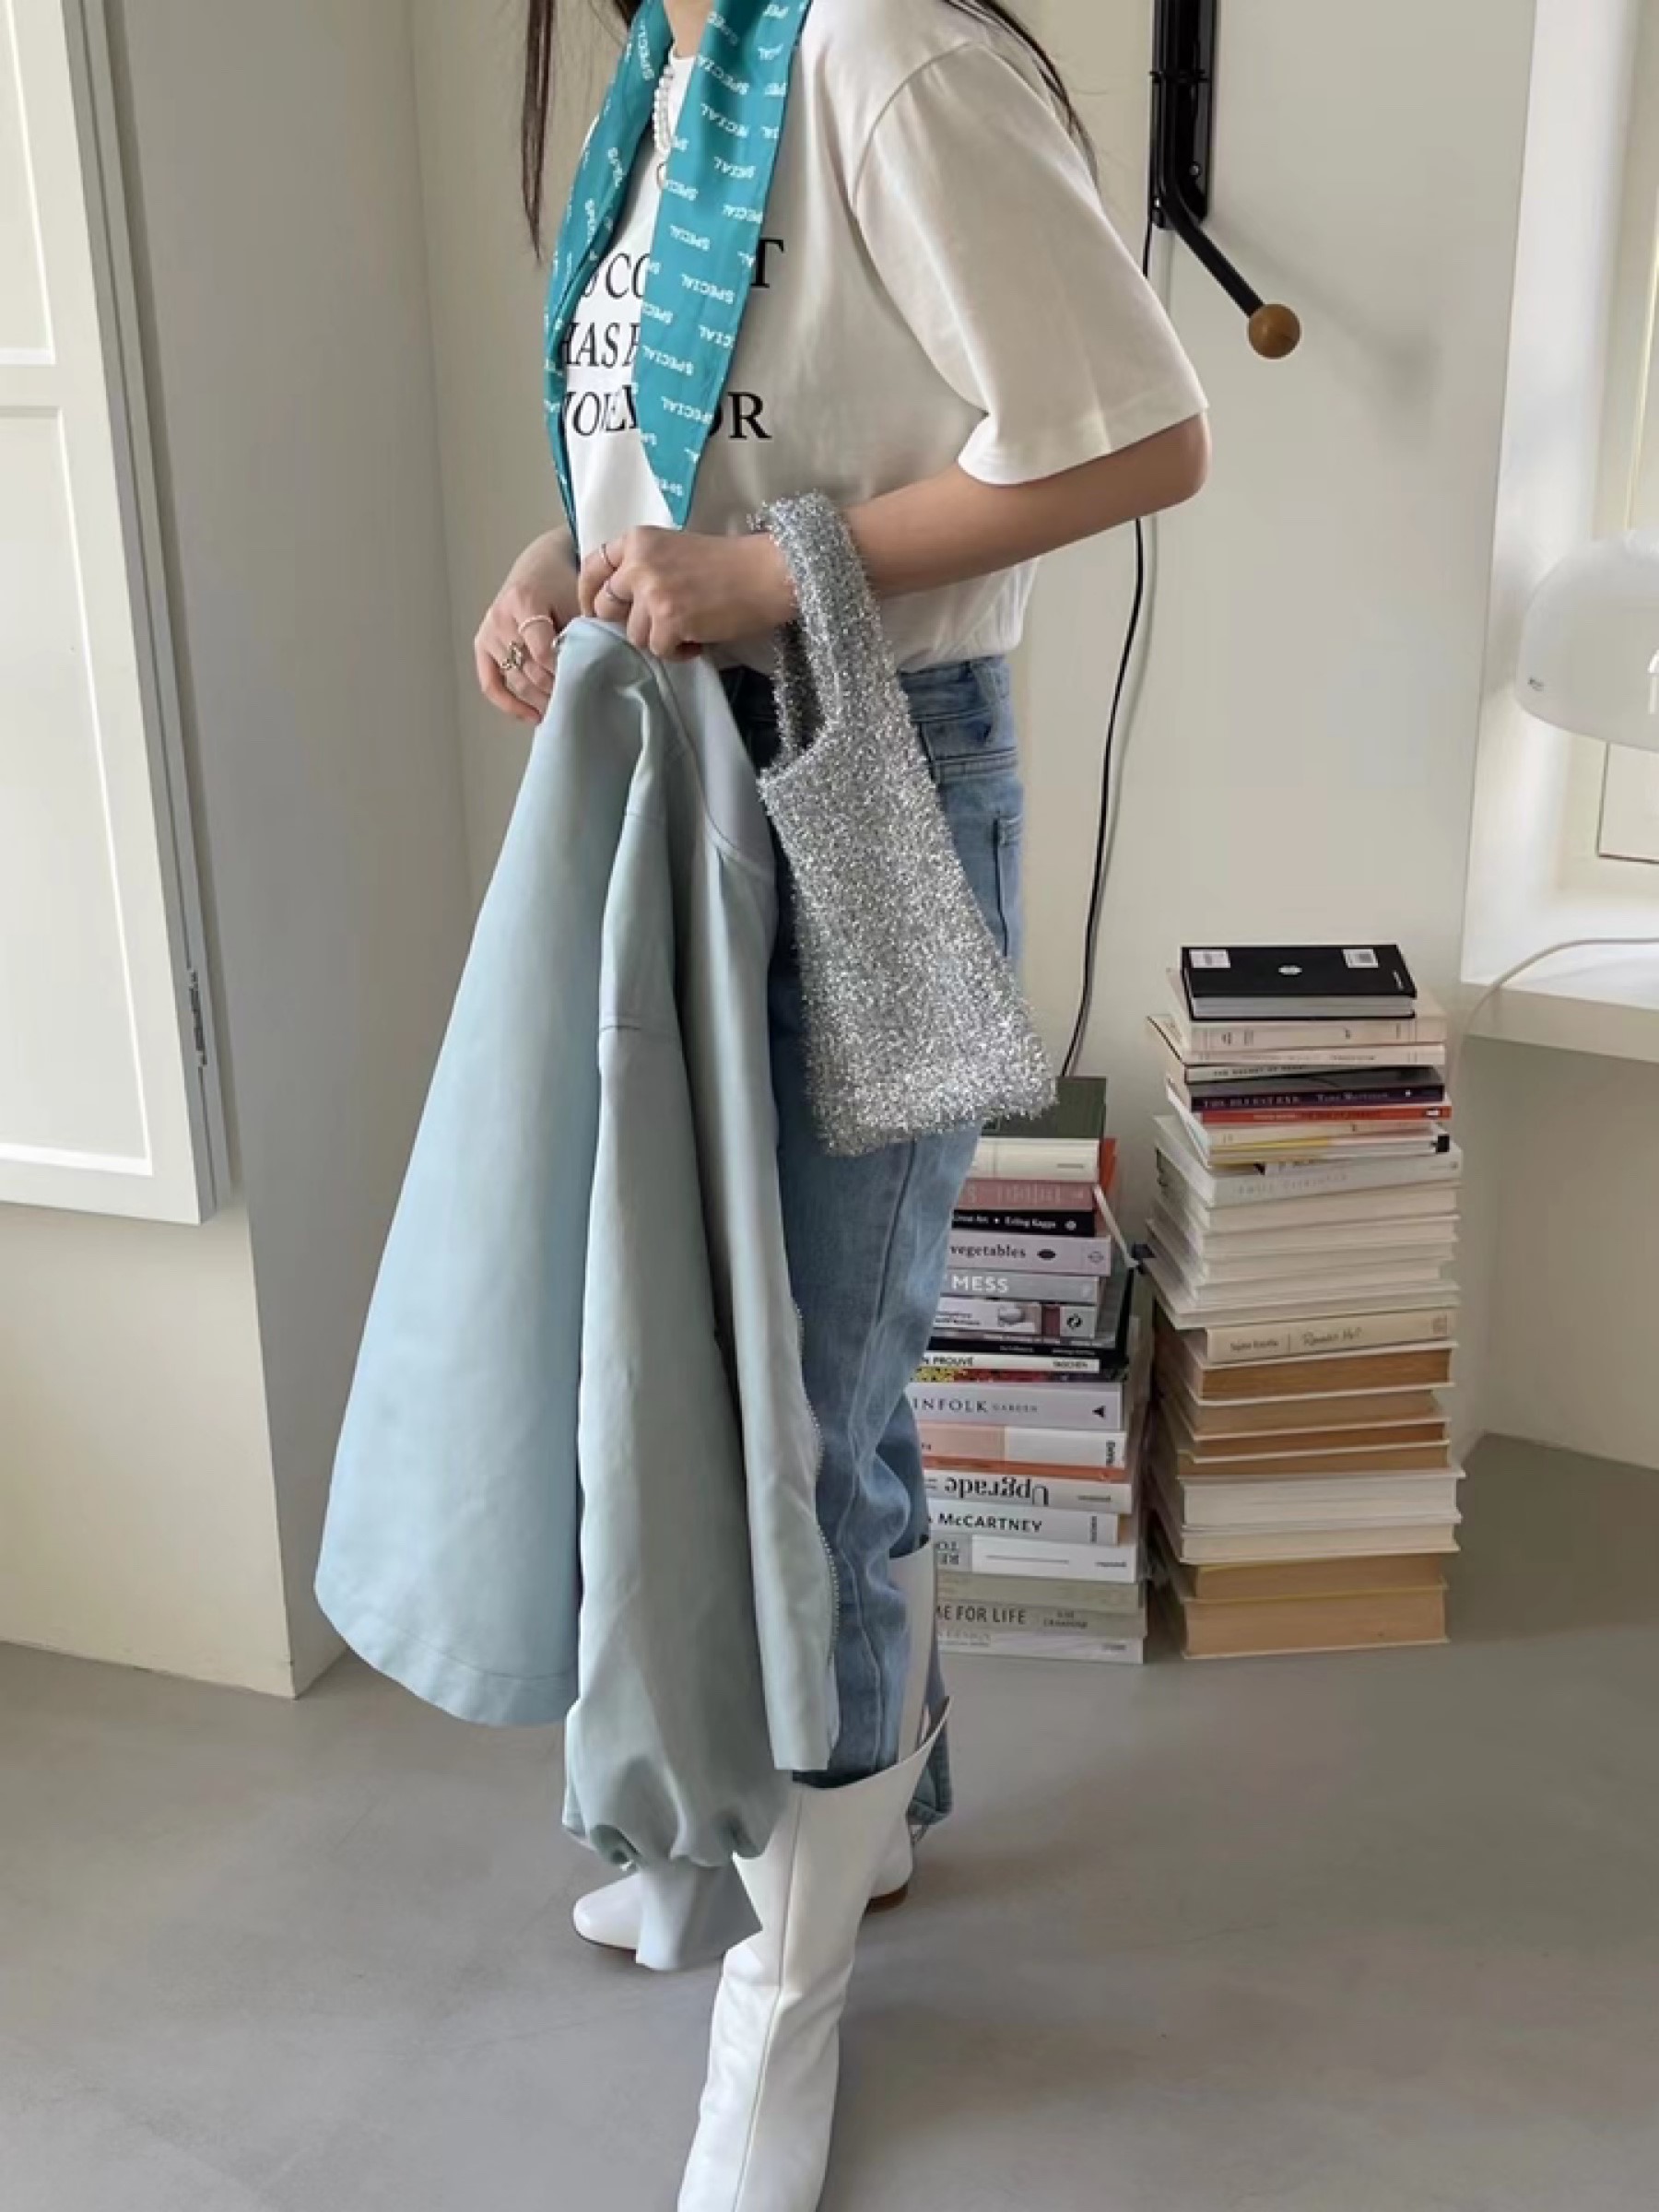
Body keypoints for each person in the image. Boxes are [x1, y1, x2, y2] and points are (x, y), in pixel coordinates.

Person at [477, 1, 1208, 2203]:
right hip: (667, 770)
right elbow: (687, 445)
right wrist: (561, 562)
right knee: (687, 1360)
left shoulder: (876, 51)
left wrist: (775, 571)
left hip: (858, 772)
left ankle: (783, 2004)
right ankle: (844, 1819)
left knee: (815, 1419)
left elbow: (1142, 435)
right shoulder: (664, 71)